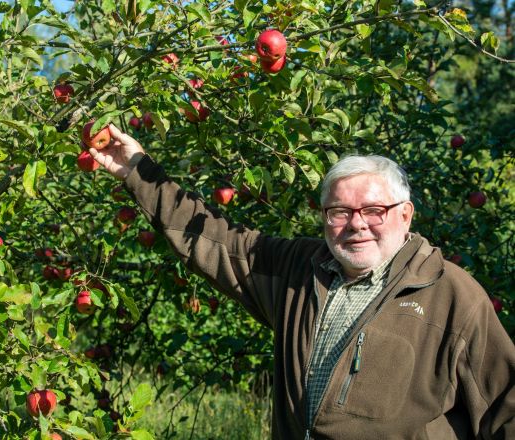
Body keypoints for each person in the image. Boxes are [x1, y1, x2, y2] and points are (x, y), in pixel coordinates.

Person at [89, 124, 514, 439]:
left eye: (373, 210)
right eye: (339, 212)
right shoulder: (298, 268)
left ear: (405, 215)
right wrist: (137, 171)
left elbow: (504, 409)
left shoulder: (452, 295)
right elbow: (211, 239)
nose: (356, 225)